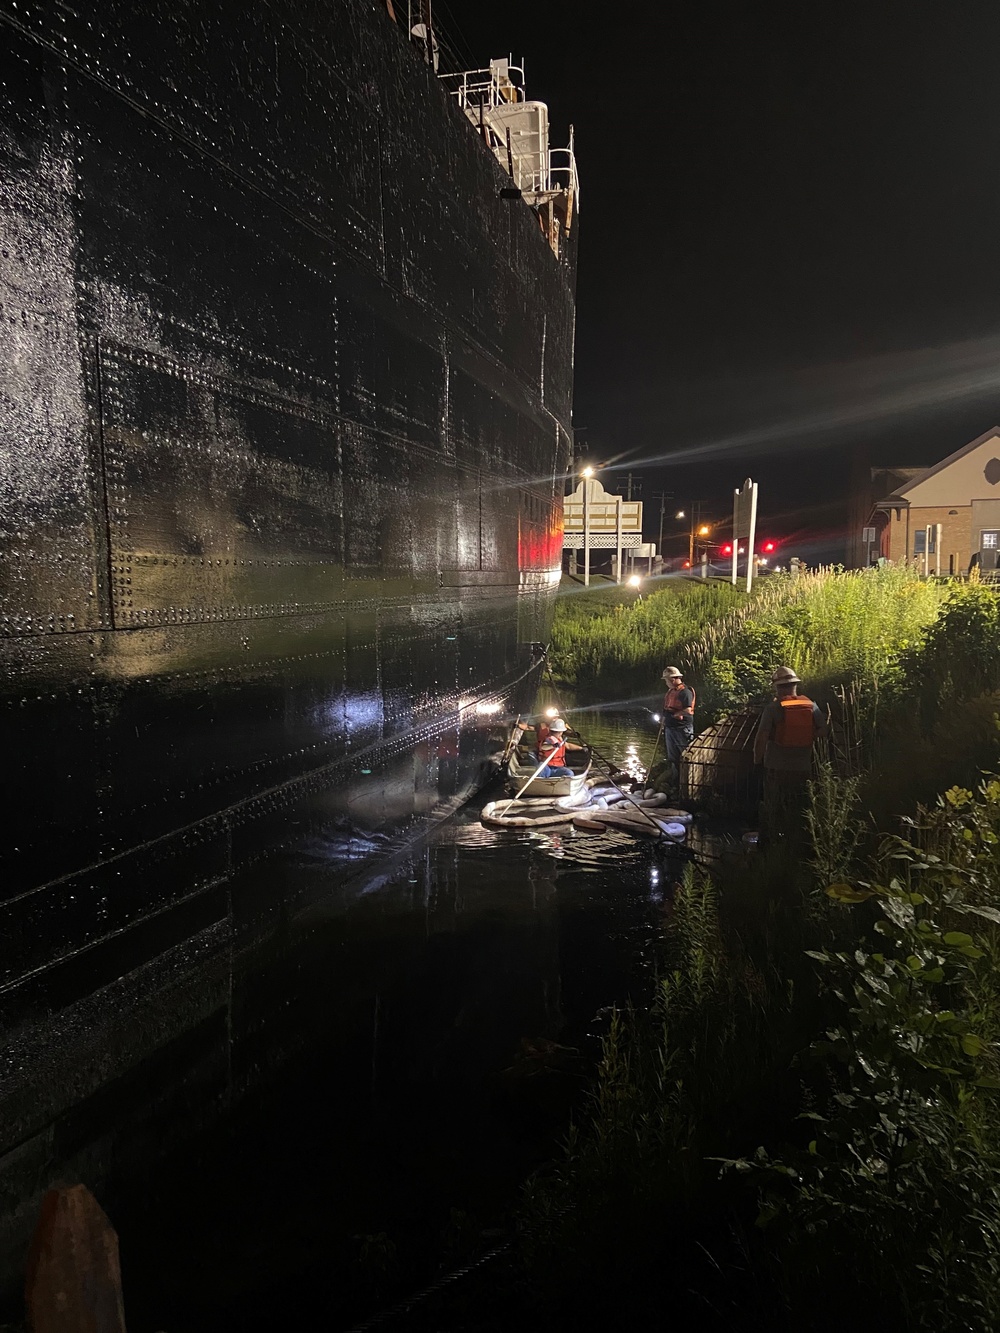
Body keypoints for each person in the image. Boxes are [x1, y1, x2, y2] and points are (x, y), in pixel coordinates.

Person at [752, 666, 828, 842]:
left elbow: (761, 738)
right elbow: (824, 730)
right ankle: (798, 839)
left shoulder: (773, 708)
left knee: (775, 807)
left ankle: (775, 843)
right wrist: (806, 736)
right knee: (800, 805)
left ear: (777, 687)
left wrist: (757, 760)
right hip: (803, 768)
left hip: (776, 768)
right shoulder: (811, 705)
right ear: (795, 685)